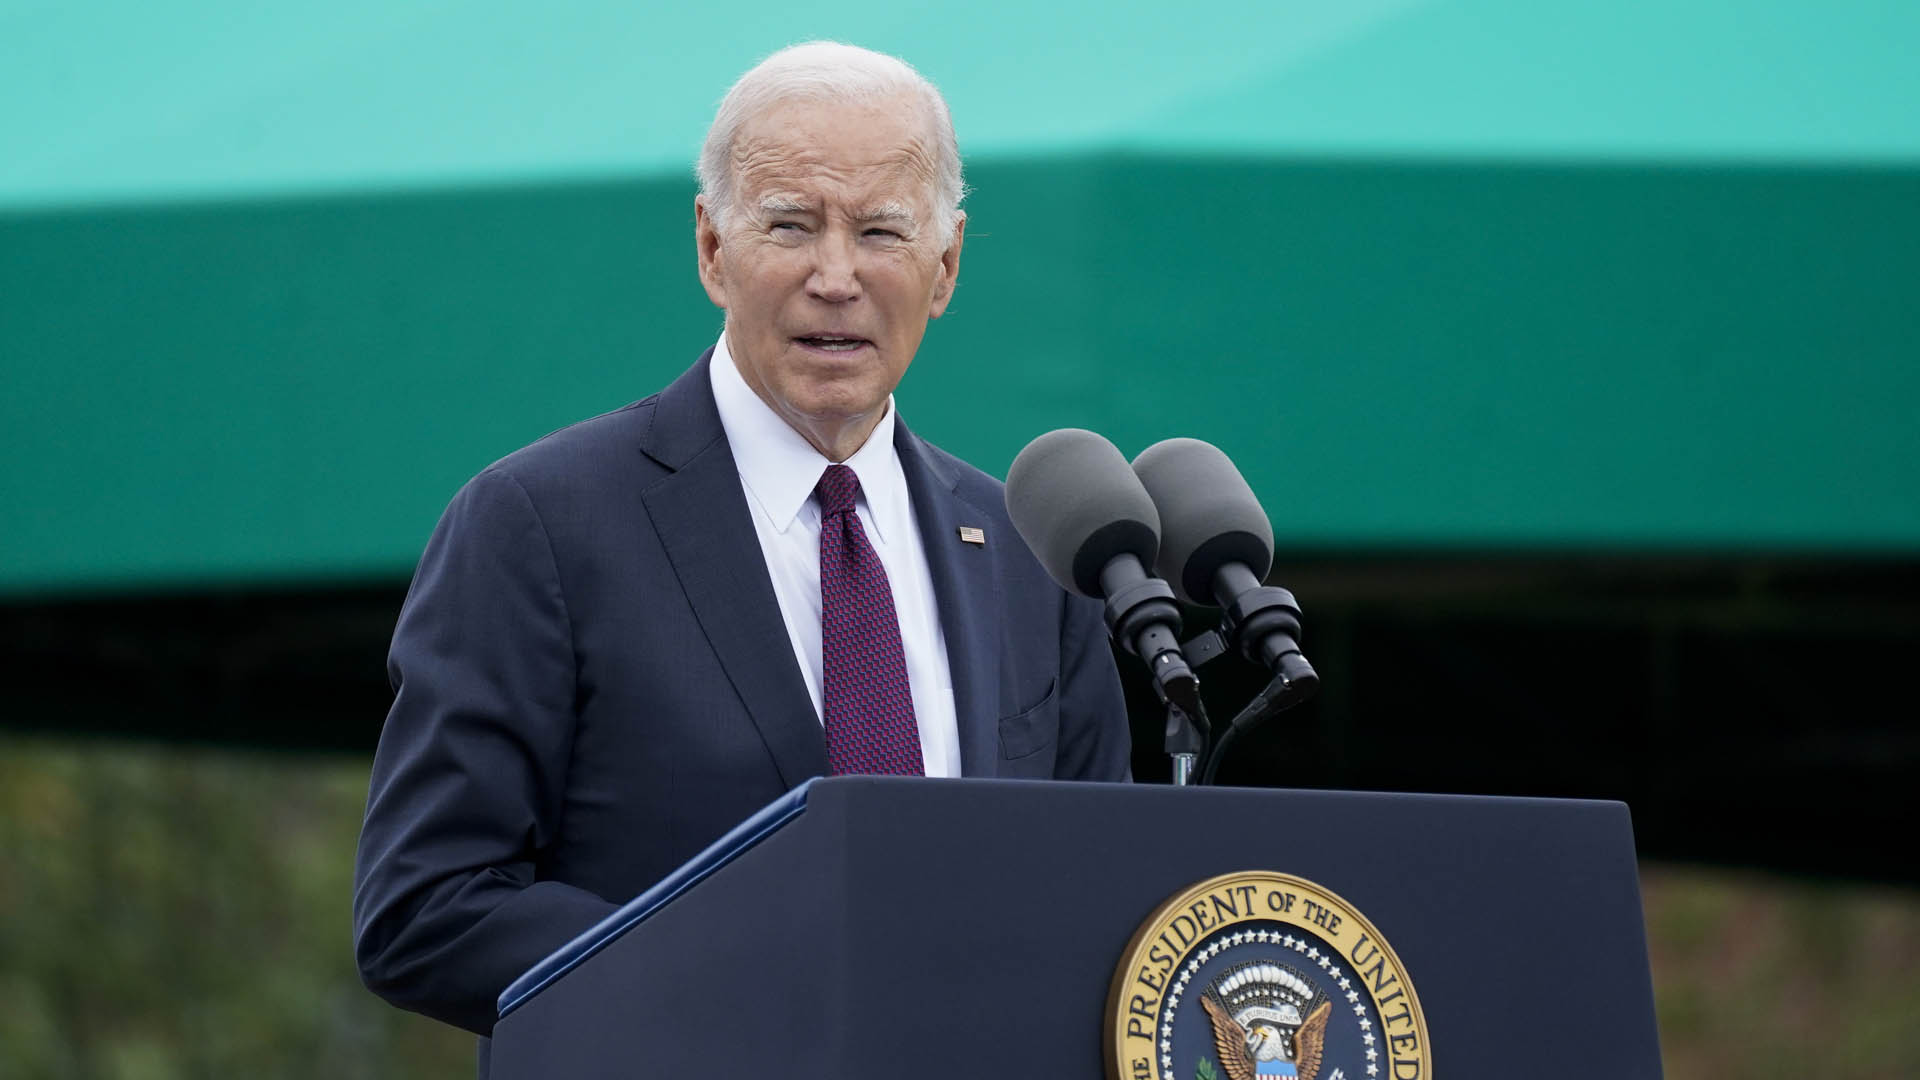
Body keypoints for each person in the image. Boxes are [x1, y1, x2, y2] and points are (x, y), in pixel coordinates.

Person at [351, 41, 1133, 1055]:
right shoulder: (540, 524)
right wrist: (741, 977)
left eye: (882, 231)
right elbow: (427, 906)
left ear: (944, 269)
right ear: (713, 249)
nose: (837, 277)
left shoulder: (1033, 552)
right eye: (791, 226)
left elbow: (1096, 901)